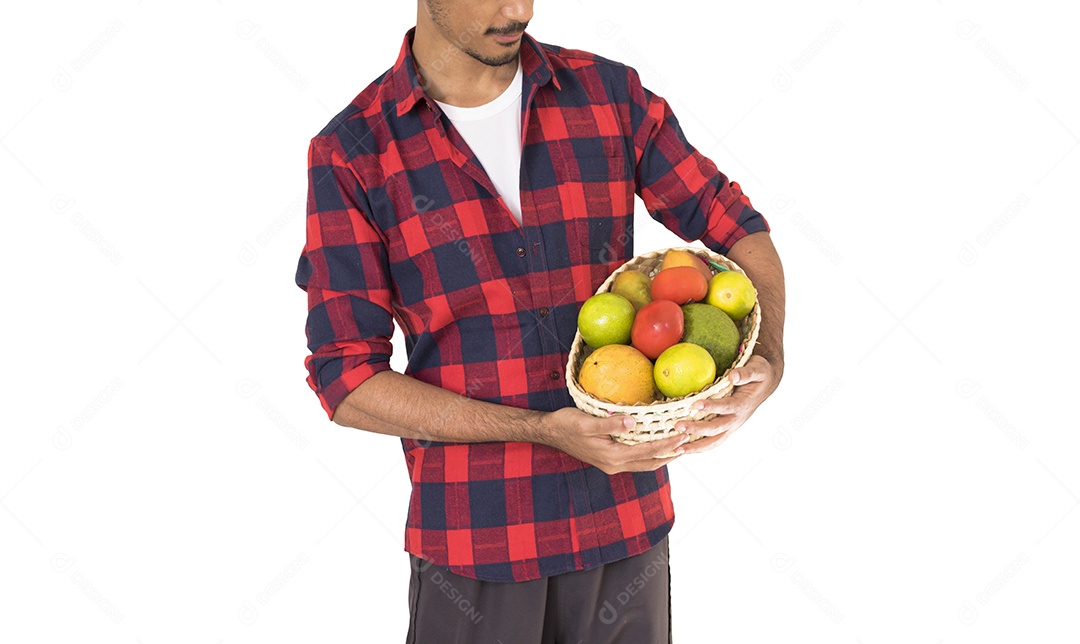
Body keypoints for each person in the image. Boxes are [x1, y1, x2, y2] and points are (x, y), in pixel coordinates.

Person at [295, 1, 785, 641]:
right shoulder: (353, 151)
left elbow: (737, 228)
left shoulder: (610, 96)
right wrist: (540, 430)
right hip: (476, 551)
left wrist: (768, 357)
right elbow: (345, 378)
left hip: (626, 530)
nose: (518, 9)